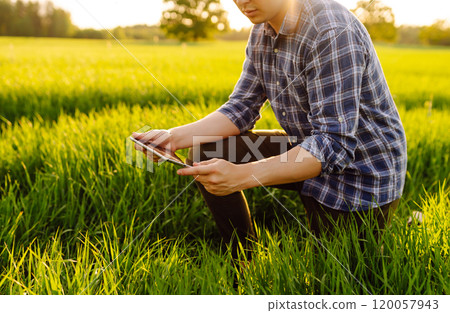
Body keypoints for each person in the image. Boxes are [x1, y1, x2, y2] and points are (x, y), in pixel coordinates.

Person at [132, 0, 407, 264]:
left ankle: (395, 222)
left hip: (359, 173)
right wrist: (171, 138)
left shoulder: (332, 32)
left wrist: (241, 176)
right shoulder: (262, 30)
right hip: (308, 148)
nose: (242, 1)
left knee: (332, 275)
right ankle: (242, 260)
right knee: (207, 150)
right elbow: (241, 107)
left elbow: (334, 145)